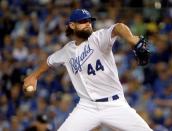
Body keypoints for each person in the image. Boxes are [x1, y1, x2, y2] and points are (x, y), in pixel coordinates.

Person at [23, 9, 152, 131]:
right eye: (83, 21)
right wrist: (34, 76)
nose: (88, 24)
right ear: (72, 25)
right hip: (87, 107)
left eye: (89, 21)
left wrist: (132, 39)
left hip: (114, 104)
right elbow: (49, 61)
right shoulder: (67, 51)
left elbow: (118, 27)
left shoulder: (98, 38)